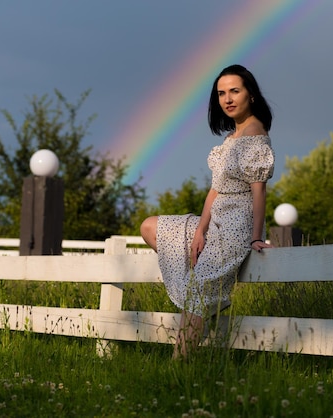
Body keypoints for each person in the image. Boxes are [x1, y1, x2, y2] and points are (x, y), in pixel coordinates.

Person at [140, 64, 275, 359]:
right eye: (221, 93)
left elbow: (259, 191)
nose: (227, 99)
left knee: (197, 293)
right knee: (150, 226)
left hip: (236, 226)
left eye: (235, 91)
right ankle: (206, 297)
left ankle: (179, 366)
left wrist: (255, 237)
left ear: (251, 94)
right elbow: (214, 190)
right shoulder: (230, 139)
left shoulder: (256, 136)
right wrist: (200, 230)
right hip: (213, 223)